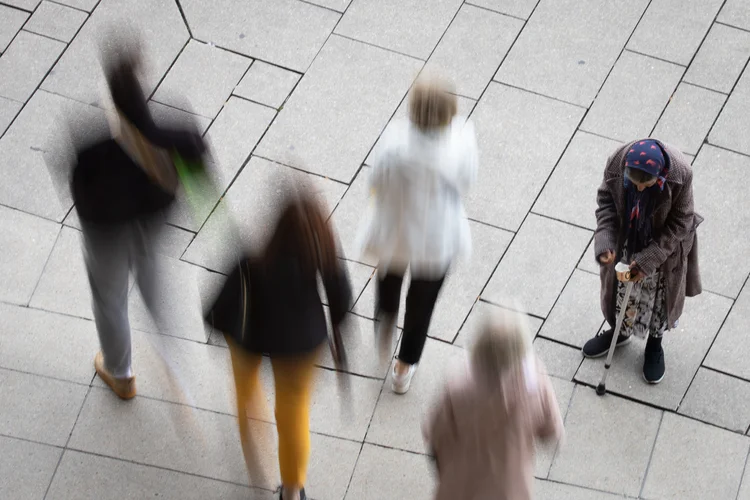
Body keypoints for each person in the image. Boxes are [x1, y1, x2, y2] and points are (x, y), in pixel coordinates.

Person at [71, 46, 206, 400]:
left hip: (107, 231)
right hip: (155, 221)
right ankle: (170, 352)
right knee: (152, 274)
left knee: (109, 296)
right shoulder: (178, 130)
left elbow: (79, 191)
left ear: (112, 98)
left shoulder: (92, 144)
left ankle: (121, 373)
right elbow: (200, 182)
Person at [206, 190, 352, 500]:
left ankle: (257, 466)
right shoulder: (323, 257)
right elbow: (341, 301)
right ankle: (291, 489)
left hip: (250, 336)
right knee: (294, 411)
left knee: (245, 394)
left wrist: (215, 323)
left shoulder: (252, 258)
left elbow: (223, 298)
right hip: (301, 343)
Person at [358, 76, 478, 394]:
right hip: (437, 238)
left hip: (395, 231)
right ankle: (403, 367)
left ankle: (384, 331)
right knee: (422, 305)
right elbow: (467, 181)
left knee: (388, 283)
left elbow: (375, 181)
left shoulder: (396, 141)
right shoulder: (461, 140)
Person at [582, 139, 703, 384]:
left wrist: (648, 259)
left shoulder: (680, 174)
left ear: (659, 176)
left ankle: (654, 345)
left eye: (645, 185)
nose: (638, 190)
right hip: (629, 235)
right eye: (633, 184)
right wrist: (605, 241)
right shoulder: (618, 162)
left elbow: (681, 222)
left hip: (663, 248)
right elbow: (606, 202)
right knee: (619, 292)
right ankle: (618, 332)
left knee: (659, 298)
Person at [423, 308, 563, 500]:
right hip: (509, 484)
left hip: (462, 480)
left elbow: (436, 429)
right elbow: (552, 428)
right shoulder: (536, 383)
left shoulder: (458, 382)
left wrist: (439, 457)